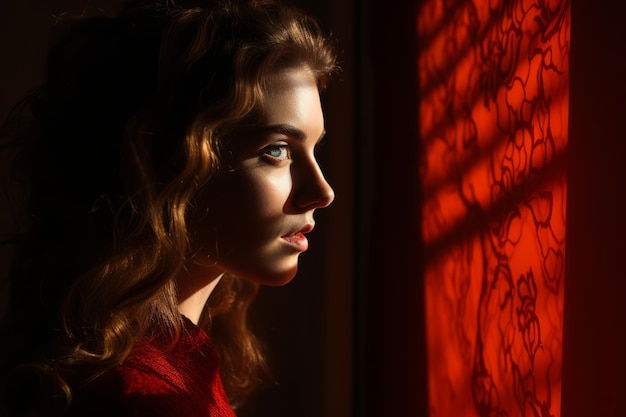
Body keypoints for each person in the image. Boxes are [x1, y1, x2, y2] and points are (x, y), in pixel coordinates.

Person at [0, 0, 338, 415]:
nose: (322, 192)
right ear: (164, 162)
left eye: (314, 148)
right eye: (277, 150)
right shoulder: (139, 398)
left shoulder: (160, 365)